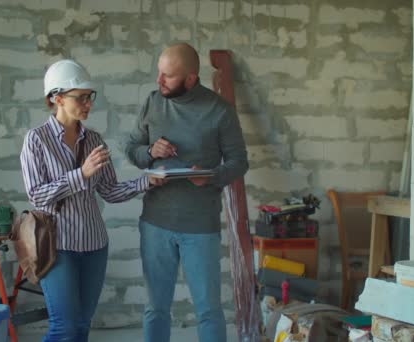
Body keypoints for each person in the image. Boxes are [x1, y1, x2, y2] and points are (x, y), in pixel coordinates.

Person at [20, 59, 161, 342]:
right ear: (57, 98)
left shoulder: (95, 140)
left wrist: (147, 180)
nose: (88, 103)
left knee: (83, 326)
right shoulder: (36, 140)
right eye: (80, 97)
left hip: (95, 246)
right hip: (56, 247)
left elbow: (109, 191)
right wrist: (80, 174)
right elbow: (38, 195)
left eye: (89, 97)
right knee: (64, 328)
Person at [125, 43, 249, 342]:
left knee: (208, 310)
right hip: (155, 222)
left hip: (200, 226)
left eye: (167, 76)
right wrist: (150, 151)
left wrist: (209, 177)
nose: (159, 81)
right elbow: (131, 148)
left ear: (191, 79)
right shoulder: (153, 102)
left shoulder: (219, 111)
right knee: (156, 308)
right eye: (159, 72)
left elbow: (239, 162)